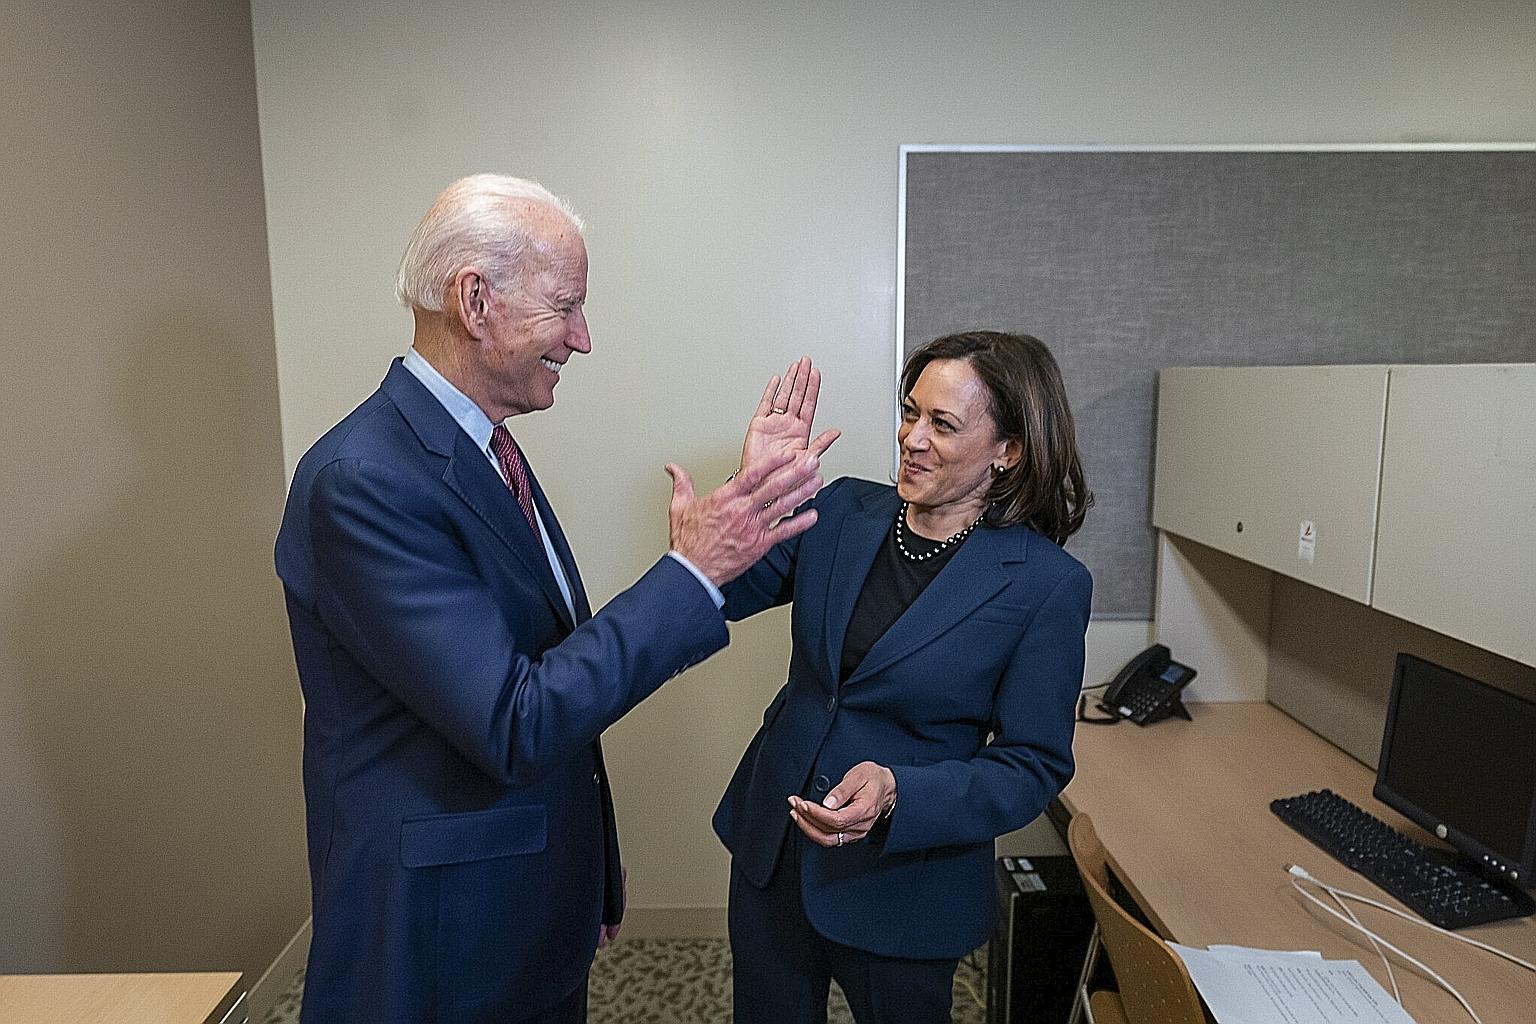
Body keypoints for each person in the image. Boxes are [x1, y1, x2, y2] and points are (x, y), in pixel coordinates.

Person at [274, 174, 832, 1024]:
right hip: (436, 938)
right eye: (566, 306)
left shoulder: (484, 446)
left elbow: (541, 664)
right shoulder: (366, 481)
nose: (583, 338)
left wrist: (587, 869)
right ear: (476, 300)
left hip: (520, 903)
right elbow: (515, 718)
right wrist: (692, 573)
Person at [714, 330, 1095, 1024]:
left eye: (942, 424)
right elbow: (722, 598)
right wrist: (751, 497)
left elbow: (1032, 764)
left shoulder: (1045, 584)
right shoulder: (838, 514)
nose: (911, 438)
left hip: (904, 883)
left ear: (1008, 451)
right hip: (775, 852)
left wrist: (899, 792)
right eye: (910, 412)